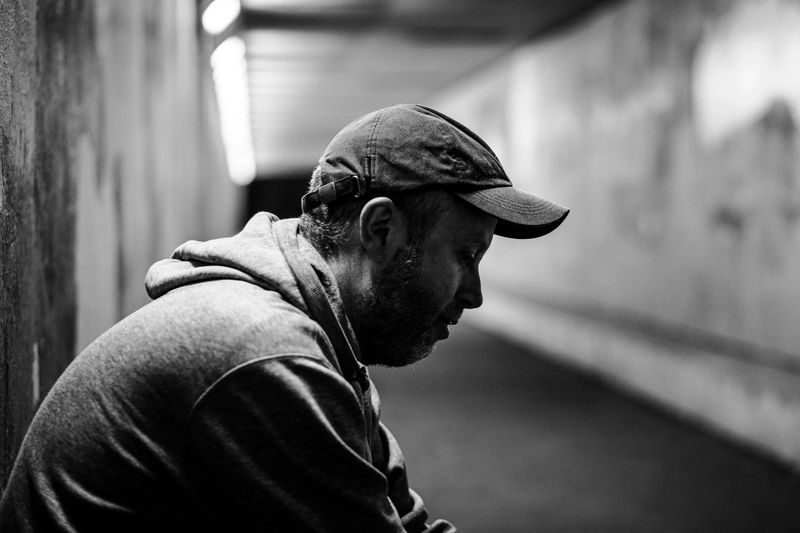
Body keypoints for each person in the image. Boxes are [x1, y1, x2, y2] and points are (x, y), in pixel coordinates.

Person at [0, 104, 568, 532]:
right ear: (380, 230)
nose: (474, 295)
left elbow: (402, 516)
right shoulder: (265, 352)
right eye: (466, 256)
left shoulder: (317, 332)